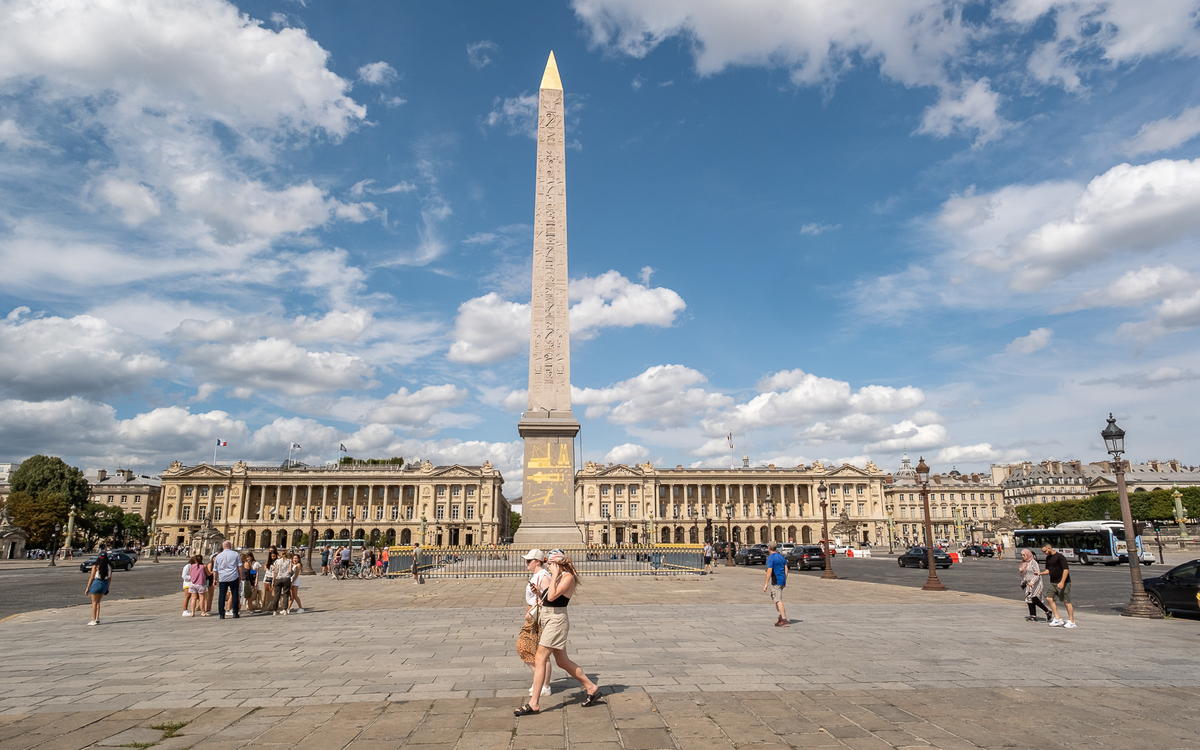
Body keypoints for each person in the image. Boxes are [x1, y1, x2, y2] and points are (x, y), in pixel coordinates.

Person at [515, 550, 600, 716]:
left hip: (557, 621)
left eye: (551, 564)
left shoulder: (567, 577)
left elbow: (553, 597)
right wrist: (538, 592)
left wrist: (554, 575)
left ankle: (534, 703)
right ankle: (591, 687)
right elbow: (548, 597)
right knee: (562, 661)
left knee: (540, 657)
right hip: (549, 619)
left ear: (557, 563)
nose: (548, 566)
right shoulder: (560, 576)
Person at [522, 549, 553, 699]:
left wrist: (533, 609)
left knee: (539, 651)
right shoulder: (536, 575)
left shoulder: (544, 576)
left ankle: (544, 685)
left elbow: (548, 599)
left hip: (539, 615)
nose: (526, 563)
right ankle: (539, 680)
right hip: (533, 613)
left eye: (529, 560)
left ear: (538, 562)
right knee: (530, 648)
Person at [1040, 543, 1076, 628]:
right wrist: (1040, 573)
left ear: (1049, 548)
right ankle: (1057, 618)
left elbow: (1066, 570)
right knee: (1049, 598)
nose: (1044, 553)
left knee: (1066, 602)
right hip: (1053, 582)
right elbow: (1048, 570)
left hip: (1063, 582)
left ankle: (1072, 621)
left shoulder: (1060, 557)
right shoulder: (1048, 558)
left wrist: (1062, 582)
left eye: (1045, 551)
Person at [213, 541, 243, 619]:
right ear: (230, 546)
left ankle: (221, 613)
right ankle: (235, 612)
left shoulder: (218, 556)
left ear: (223, 547)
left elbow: (215, 569)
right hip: (233, 576)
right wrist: (240, 576)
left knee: (222, 595)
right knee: (235, 594)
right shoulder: (235, 554)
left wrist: (214, 579)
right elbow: (239, 566)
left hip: (222, 577)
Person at [1019, 549, 1052, 622]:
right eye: (1022, 555)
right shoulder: (1023, 563)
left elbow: (1037, 573)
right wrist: (1023, 584)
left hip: (1036, 583)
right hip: (1028, 583)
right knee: (1029, 598)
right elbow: (1023, 574)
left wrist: (1033, 582)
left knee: (1034, 598)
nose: (1023, 557)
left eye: (1024, 555)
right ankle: (1033, 615)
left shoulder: (1033, 562)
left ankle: (1047, 611)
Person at [763, 541, 788, 627]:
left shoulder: (771, 558)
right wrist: (785, 579)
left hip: (776, 580)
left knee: (778, 599)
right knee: (774, 596)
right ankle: (780, 615)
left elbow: (769, 571)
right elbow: (786, 569)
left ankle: (784, 619)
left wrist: (766, 583)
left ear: (769, 548)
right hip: (782, 580)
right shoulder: (781, 557)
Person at [84, 550, 111, 625]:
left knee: (94, 602)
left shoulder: (95, 566)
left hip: (97, 582)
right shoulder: (109, 567)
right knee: (98, 601)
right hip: (104, 583)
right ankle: (97, 617)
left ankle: (93, 619)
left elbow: (91, 578)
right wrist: (107, 588)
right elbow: (109, 578)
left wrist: (87, 588)